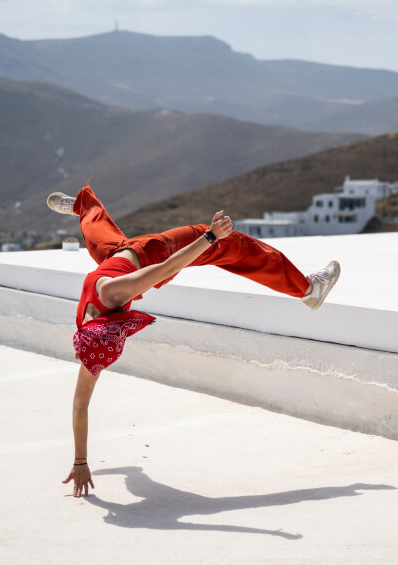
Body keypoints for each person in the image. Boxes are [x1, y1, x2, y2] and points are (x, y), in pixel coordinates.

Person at [49, 185, 340, 497]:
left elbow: (80, 406)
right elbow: (169, 266)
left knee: (98, 233)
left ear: (87, 330)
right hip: (152, 257)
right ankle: (308, 289)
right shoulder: (107, 312)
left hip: (117, 257)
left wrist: (81, 462)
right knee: (232, 246)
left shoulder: (93, 340)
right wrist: (210, 237)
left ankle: (82, 206)